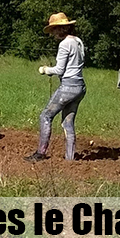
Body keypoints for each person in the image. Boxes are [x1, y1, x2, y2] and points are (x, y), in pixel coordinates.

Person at [25, 12, 86, 162]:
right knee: (67, 122)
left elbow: (59, 70)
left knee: (45, 116)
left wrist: (46, 70)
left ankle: (40, 153)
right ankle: (69, 158)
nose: (53, 34)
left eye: (54, 30)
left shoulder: (65, 44)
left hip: (68, 87)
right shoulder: (78, 41)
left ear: (60, 29)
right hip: (80, 87)